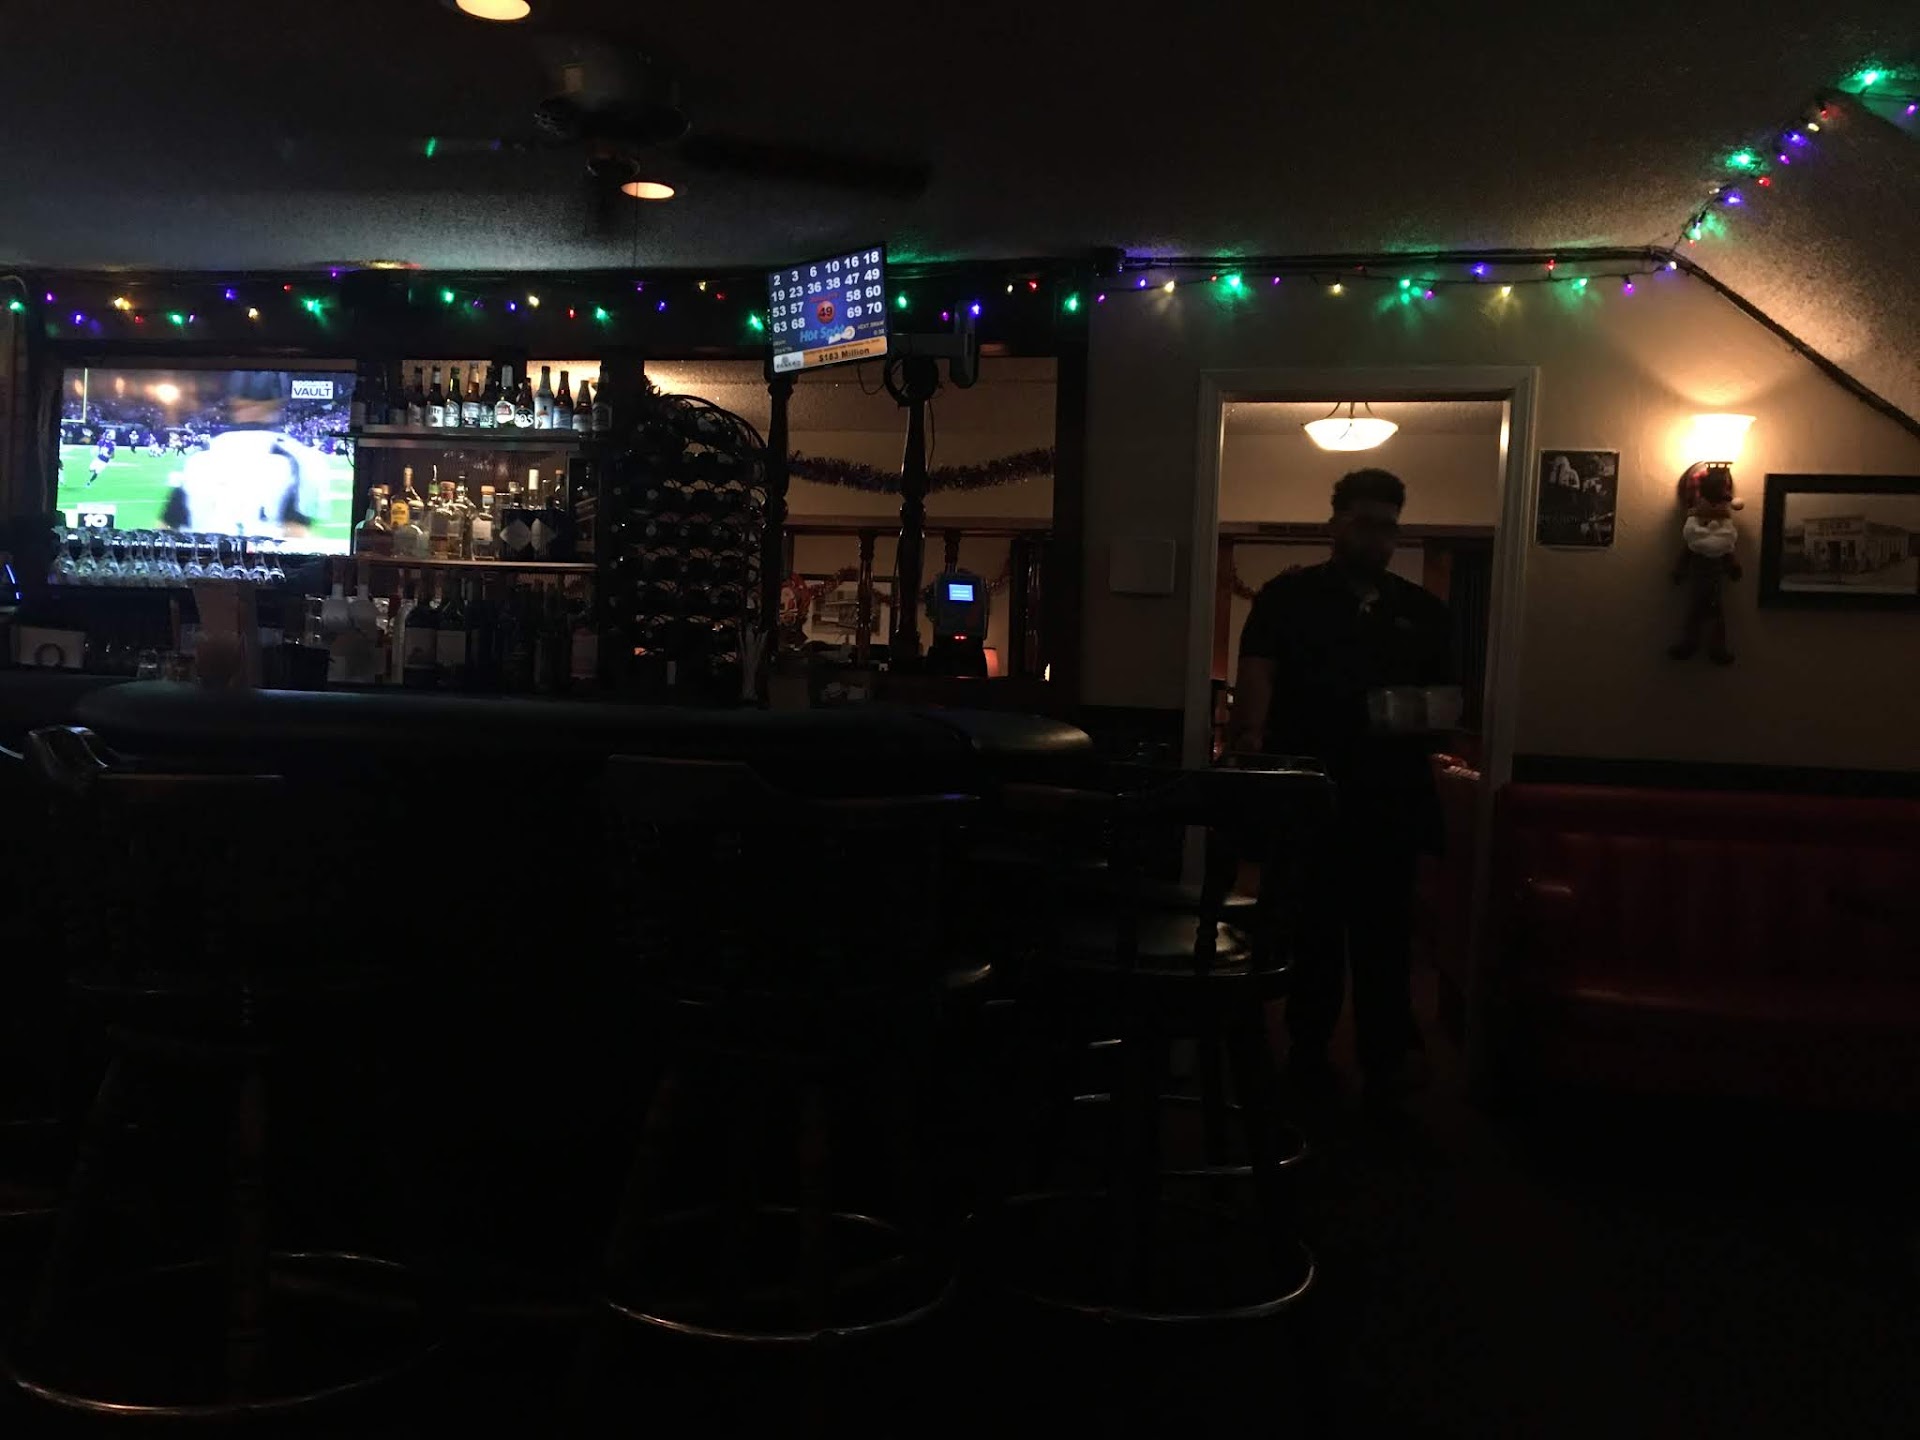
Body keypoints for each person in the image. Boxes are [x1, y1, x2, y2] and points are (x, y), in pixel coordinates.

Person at [1229, 468, 1455, 1104]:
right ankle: (1307, 1053)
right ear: (1335, 524)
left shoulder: (1422, 612)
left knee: (1386, 936)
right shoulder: (1287, 598)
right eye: (1363, 523)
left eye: (1388, 527)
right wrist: (1250, 742)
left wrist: (1405, 716)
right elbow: (1257, 677)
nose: (1376, 537)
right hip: (1309, 796)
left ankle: (1386, 1057)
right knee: (1313, 932)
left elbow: (1443, 704)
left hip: (1391, 796)